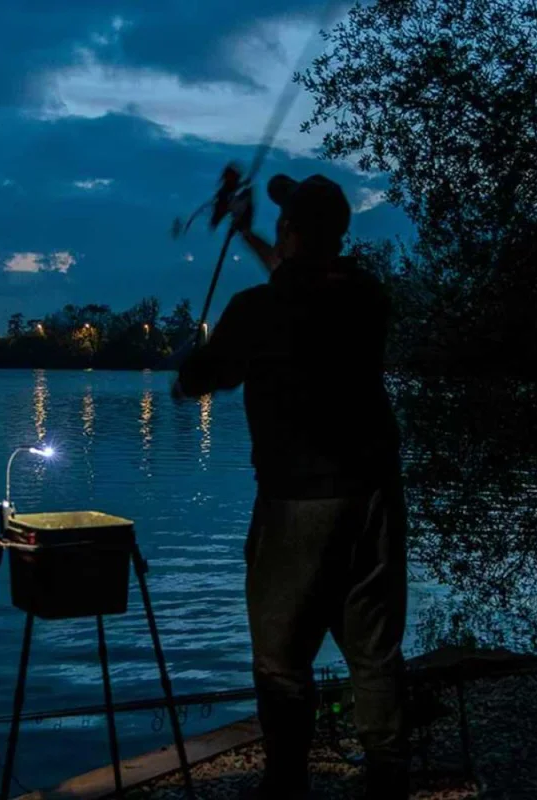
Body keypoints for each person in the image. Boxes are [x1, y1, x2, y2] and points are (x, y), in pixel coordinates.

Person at [171, 174, 409, 799]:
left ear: (292, 231)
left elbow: (204, 377)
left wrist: (186, 371)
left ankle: (284, 786)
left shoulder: (259, 310)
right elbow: (300, 279)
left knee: (280, 659)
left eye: (282, 224)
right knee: (373, 647)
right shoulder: (366, 296)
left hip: (300, 502)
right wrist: (248, 230)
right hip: (376, 495)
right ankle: (387, 776)